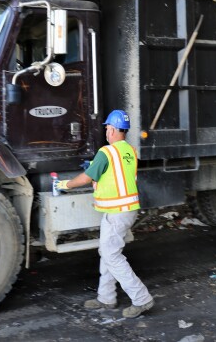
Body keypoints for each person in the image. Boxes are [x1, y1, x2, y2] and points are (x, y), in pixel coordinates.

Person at [55, 109, 155, 319]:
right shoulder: (130, 151)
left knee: (112, 255)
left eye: (108, 128)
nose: (107, 132)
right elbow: (118, 176)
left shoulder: (107, 152)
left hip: (117, 211)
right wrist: (97, 174)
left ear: (112, 130)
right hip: (125, 209)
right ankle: (106, 297)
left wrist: (65, 184)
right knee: (107, 253)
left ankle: (142, 299)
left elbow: (84, 179)